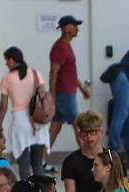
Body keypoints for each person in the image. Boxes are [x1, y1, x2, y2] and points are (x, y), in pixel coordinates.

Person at [0, 47, 50, 179]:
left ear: (11, 60)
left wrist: (0, 123)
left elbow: (3, 105)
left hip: (20, 123)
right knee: (37, 164)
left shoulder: (7, 78)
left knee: (24, 166)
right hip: (38, 122)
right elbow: (44, 98)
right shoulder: (35, 74)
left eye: (6, 60)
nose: (5, 64)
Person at [48, 15, 88, 146]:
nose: (77, 29)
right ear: (66, 28)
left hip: (67, 93)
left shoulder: (67, 46)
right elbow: (54, 72)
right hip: (63, 94)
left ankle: (40, 160)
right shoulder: (60, 48)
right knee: (79, 126)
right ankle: (86, 159)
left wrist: (81, 87)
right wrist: (52, 95)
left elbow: (69, 73)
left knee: (55, 127)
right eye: (75, 26)